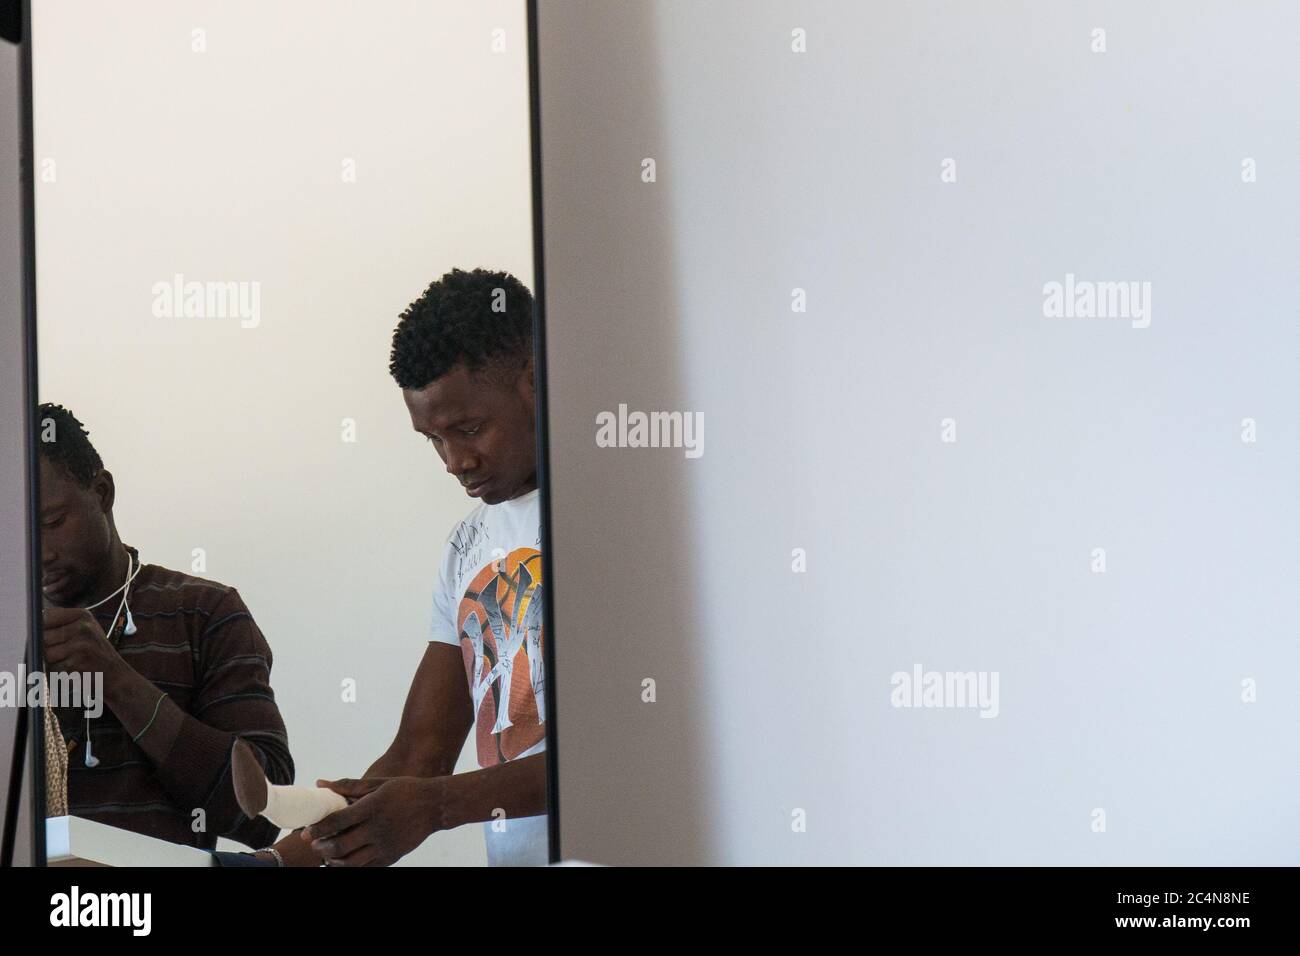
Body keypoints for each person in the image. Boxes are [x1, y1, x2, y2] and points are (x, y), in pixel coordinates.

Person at [255, 267, 548, 867]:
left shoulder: (624, 520)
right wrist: (278, 863)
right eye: (432, 439)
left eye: (469, 429)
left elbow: (624, 744)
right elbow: (420, 756)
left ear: (535, 380)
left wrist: (436, 808)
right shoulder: (465, 546)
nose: (454, 462)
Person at [38, 403, 293, 850]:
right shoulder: (10, 632)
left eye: (53, 522)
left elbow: (264, 812)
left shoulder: (204, 612)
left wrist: (117, 681)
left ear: (102, 492)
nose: (38, 552)